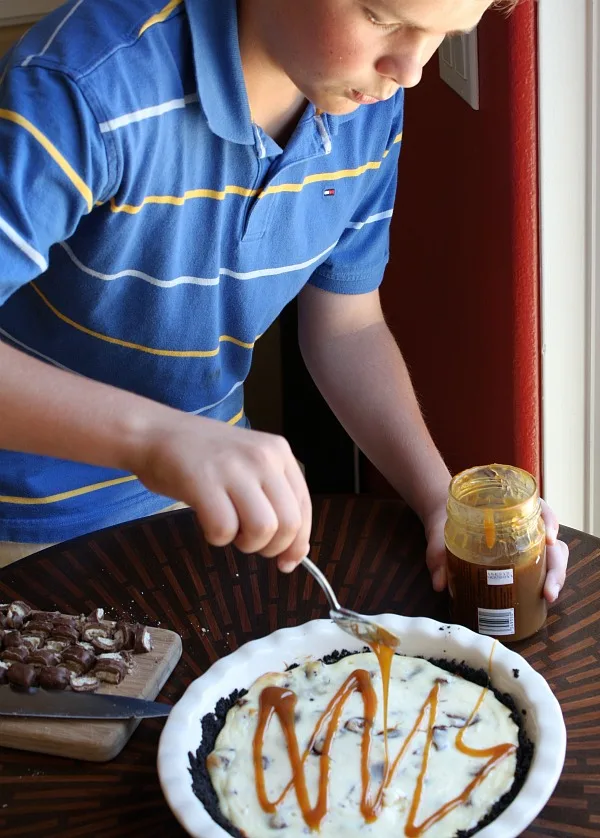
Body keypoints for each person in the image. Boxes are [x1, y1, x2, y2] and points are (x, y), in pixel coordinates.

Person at [0, 0, 568, 598]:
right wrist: (156, 440)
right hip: (26, 521)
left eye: (444, 36)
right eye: (381, 18)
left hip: (214, 502)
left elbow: (346, 328)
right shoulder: (83, 87)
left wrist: (442, 503)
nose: (410, 69)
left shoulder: (363, 99)